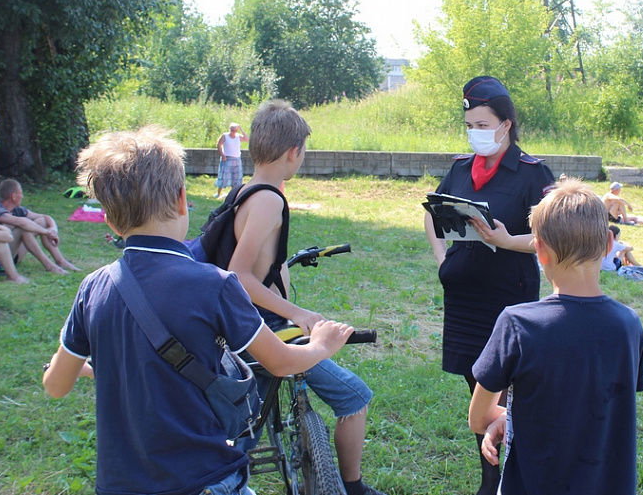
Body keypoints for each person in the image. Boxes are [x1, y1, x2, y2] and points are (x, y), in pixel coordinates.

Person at [42, 126, 355, 495]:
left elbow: (56, 385)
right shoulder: (215, 284)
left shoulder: (92, 288)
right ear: (181, 199)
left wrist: (91, 370)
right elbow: (282, 362)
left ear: (109, 220)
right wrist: (322, 343)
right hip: (204, 480)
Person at [226, 100, 385, 495]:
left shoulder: (244, 191)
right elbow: (237, 276)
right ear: (294, 152)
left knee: (245, 428)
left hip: (244, 329)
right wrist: (298, 312)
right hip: (263, 332)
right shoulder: (268, 200)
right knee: (355, 396)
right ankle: (352, 487)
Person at [468, 178, 643, 494]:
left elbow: (479, 418)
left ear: (539, 250)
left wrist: (506, 419)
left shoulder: (517, 323)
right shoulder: (628, 325)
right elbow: (600, 405)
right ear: (609, 244)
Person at [424, 76, 554, 495]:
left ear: (506, 124)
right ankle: (490, 480)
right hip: (463, 299)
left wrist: (506, 241)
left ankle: (516, 476)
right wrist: (443, 258)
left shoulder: (533, 173)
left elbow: (552, 234)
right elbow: (432, 212)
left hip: (506, 301)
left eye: (483, 124)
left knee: (513, 394)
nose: (476, 132)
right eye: (471, 125)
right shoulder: (461, 168)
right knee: (477, 391)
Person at [0, 178, 79, 274]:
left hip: (13, 252)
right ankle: (49, 266)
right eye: (21, 193)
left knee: (42, 221)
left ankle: (61, 261)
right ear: (13, 196)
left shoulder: (17, 209)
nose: (22, 197)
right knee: (23, 230)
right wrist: (47, 232)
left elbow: (46, 217)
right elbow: (21, 222)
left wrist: (53, 229)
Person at [215, 122, 249, 199]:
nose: (233, 132)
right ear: (229, 129)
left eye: (235, 130)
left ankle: (235, 193)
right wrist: (222, 155)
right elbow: (219, 145)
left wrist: (241, 129)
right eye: (232, 130)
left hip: (236, 159)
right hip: (227, 158)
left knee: (236, 177)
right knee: (224, 176)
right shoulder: (225, 136)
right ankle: (218, 193)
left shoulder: (238, 136)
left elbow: (247, 139)